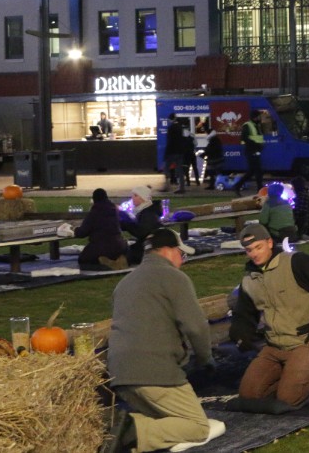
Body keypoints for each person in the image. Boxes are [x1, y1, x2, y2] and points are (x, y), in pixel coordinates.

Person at [104, 228, 218, 453]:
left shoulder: (124, 283)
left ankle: (113, 427)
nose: (182, 261)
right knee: (196, 426)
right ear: (168, 250)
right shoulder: (174, 278)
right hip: (155, 372)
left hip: (119, 374)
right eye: (181, 254)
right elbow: (196, 327)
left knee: (164, 418)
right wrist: (206, 359)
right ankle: (132, 430)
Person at [230, 223, 309, 409]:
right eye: (249, 250)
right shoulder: (249, 279)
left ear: (269, 243)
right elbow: (244, 313)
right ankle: (292, 375)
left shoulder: (295, 262)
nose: (254, 253)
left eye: (258, 247)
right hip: (274, 345)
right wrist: (241, 336)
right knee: (249, 395)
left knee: (288, 399)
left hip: (306, 341)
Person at [75, 188, 128, 271]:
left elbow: (82, 233)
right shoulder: (115, 211)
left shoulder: (94, 213)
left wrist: (74, 230)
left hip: (101, 247)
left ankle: (107, 265)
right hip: (120, 246)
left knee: (82, 260)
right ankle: (118, 260)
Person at [123, 185, 162, 265]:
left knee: (126, 253)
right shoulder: (145, 211)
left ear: (142, 198)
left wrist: (126, 224)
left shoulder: (148, 213)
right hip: (148, 245)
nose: (132, 198)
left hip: (149, 248)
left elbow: (141, 232)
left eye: (135, 195)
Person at [235, 111, 265, 196]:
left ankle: (238, 186)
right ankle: (259, 189)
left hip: (256, 151)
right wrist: (256, 145)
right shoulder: (247, 125)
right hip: (251, 151)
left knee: (254, 171)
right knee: (256, 171)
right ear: (255, 117)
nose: (260, 118)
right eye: (258, 117)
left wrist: (260, 146)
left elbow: (258, 138)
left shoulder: (256, 126)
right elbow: (244, 138)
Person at [162, 113, 186, 193]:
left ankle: (166, 186)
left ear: (170, 119)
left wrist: (166, 153)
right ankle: (181, 187)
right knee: (179, 169)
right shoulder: (180, 127)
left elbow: (170, 141)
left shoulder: (171, 128)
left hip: (172, 152)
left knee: (166, 168)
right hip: (180, 151)